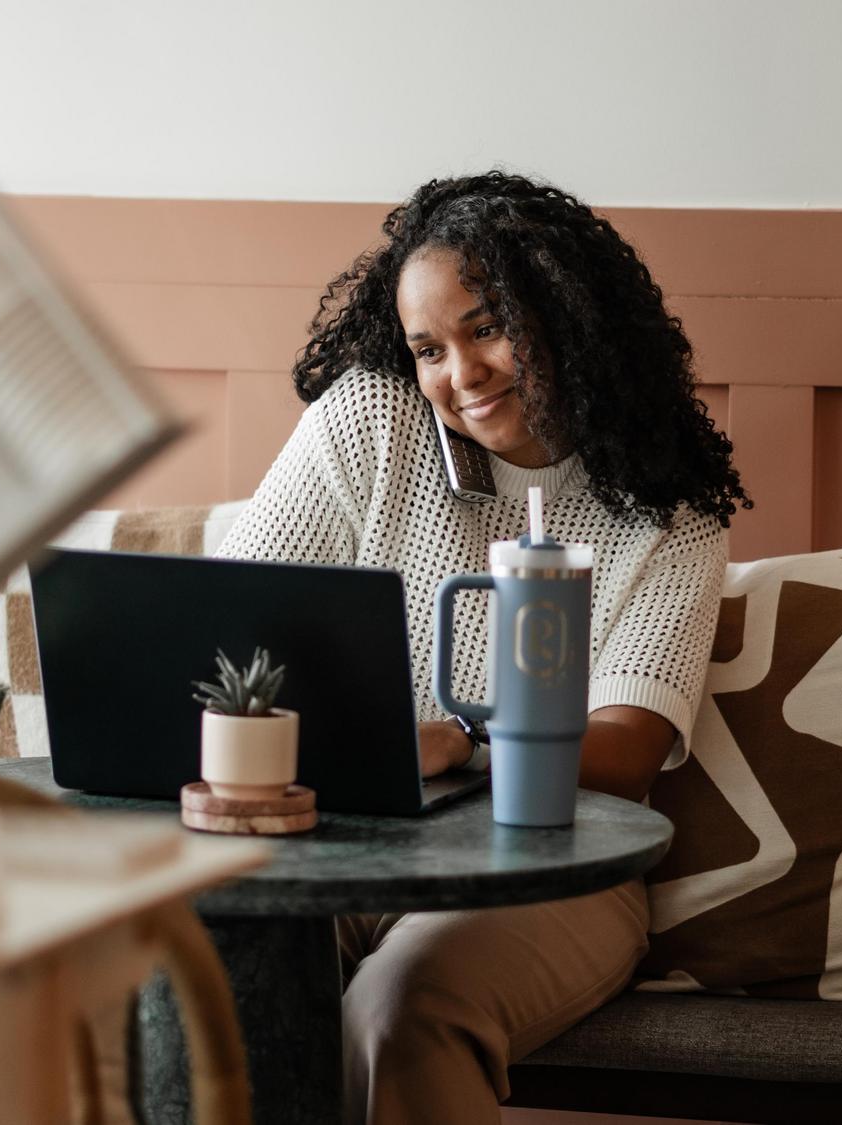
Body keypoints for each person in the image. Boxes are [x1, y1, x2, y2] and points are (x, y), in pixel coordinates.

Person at [216, 170, 750, 1125]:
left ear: (570, 318)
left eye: (488, 325)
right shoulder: (369, 422)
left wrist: (456, 741)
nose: (460, 374)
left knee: (404, 1007)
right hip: (335, 855)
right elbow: (231, 625)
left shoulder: (674, 512)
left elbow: (623, 753)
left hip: (550, 871)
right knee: (195, 983)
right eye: (429, 346)